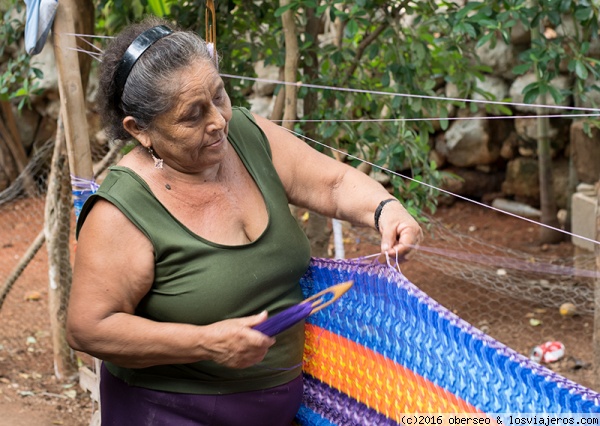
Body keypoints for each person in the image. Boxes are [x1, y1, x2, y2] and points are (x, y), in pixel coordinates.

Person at [66, 17, 422, 426]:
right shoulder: (122, 209)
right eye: (192, 115)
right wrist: (204, 343)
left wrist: (385, 209)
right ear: (140, 130)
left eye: (219, 96)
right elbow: (89, 328)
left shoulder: (247, 137)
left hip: (276, 408)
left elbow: (335, 183)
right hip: (167, 412)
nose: (218, 121)